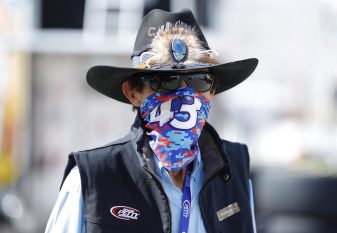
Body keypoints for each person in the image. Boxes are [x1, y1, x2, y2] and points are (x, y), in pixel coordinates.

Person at [45, 8, 258, 233]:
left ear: (212, 91)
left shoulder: (235, 172)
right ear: (133, 93)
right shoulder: (91, 180)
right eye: (165, 80)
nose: (185, 96)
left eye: (199, 81)